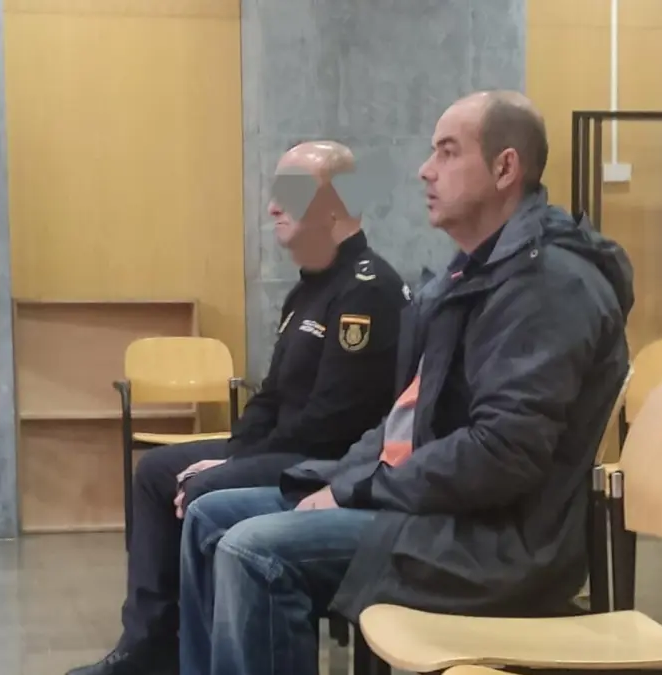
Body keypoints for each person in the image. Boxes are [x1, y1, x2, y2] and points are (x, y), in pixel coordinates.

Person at [175, 90, 635, 675]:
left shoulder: (547, 286)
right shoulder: (475, 276)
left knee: (254, 551)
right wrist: (342, 478)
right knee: (210, 516)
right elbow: (404, 422)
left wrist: (355, 490)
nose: (425, 169)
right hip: (435, 508)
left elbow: (502, 454)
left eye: (447, 152)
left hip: (494, 541)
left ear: (505, 168)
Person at [67, 141, 409, 675]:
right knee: (157, 472)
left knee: (203, 489)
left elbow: (333, 422)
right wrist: (237, 450)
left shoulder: (368, 290)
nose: (273, 206)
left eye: (291, 191)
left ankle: (204, 661)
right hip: (286, 448)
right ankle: (151, 646)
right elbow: (271, 396)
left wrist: (235, 463)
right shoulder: (310, 288)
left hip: (327, 462)